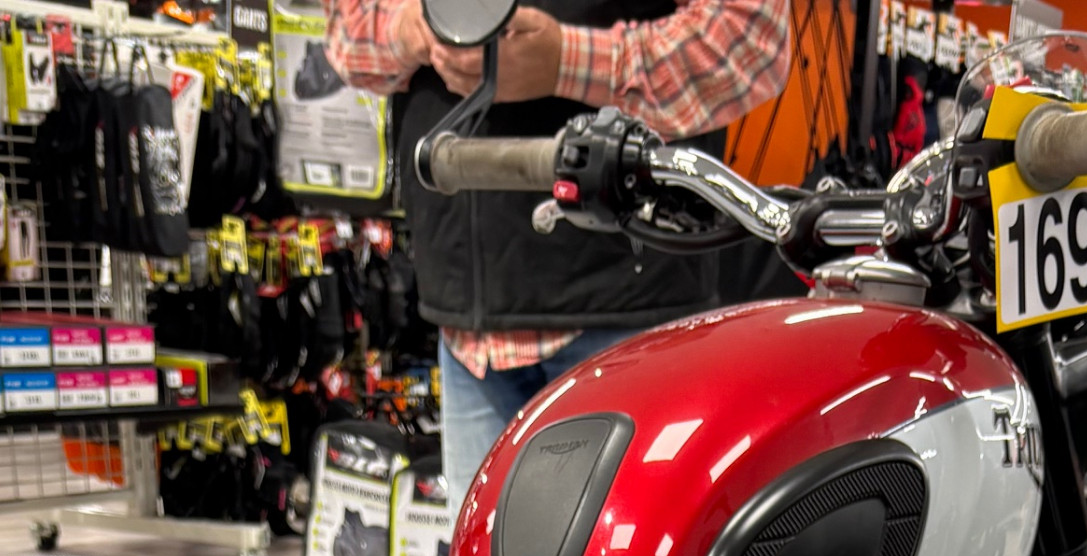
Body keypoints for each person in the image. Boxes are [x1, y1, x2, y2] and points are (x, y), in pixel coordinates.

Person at [323, 0, 791, 505]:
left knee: (625, 552)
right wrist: (416, 28)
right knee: (483, 555)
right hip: (469, 331)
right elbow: (347, 29)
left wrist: (566, 61)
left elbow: (751, 41)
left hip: (627, 316)